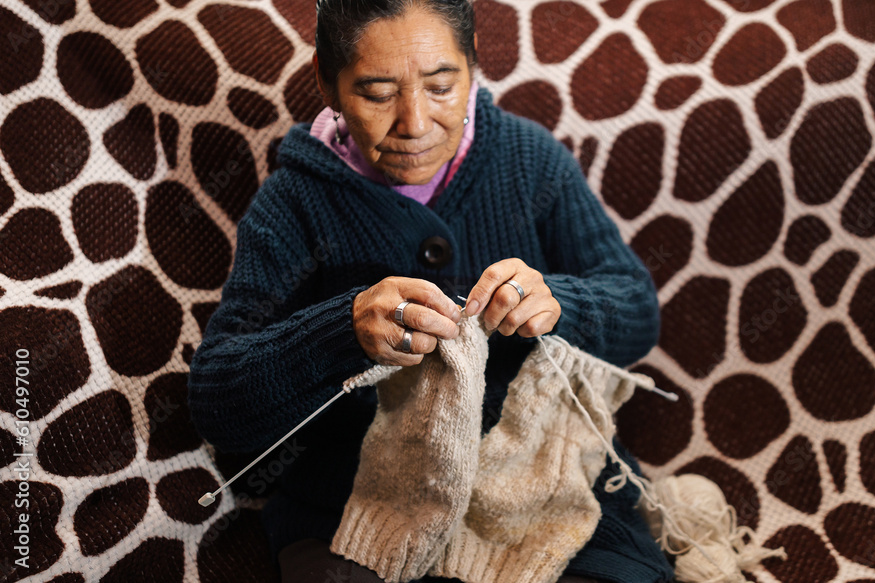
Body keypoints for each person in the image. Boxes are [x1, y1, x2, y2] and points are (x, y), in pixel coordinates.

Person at [187, 0, 673, 581]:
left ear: (472, 68)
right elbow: (218, 401)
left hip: (541, 484)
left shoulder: (528, 164)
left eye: (443, 87)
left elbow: (638, 310)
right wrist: (341, 330)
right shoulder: (294, 204)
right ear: (328, 82)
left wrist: (561, 304)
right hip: (352, 508)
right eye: (376, 92)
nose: (415, 123)